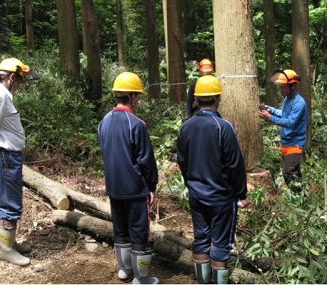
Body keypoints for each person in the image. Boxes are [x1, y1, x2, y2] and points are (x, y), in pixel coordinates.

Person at [177, 75, 250, 284]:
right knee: (221, 245)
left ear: (196, 99)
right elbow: (235, 164)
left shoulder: (186, 126)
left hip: (196, 194)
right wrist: (241, 193)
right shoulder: (223, 126)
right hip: (221, 198)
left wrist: (189, 183)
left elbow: (182, 161)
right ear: (218, 98)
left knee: (201, 239)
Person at [97, 72, 159, 284]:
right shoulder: (136, 124)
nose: (138, 100)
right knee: (139, 232)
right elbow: (146, 161)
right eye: (137, 96)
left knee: (120, 229)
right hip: (135, 188)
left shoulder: (103, 121)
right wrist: (151, 186)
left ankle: (125, 270)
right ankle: (141, 279)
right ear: (132, 97)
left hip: (113, 186)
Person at [0, 57, 38, 266]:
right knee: (8, 201)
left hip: (4, 155)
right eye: (19, 81)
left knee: (5, 198)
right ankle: (6, 250)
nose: (19, 86)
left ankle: (9, 244)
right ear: (12, 77)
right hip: (3, 156)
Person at [258, 69, 307, 193]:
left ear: (293, 86)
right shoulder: (287, 99)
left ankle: (297, 198)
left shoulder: (299, 103)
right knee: (294, 174)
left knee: (288, 173)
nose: (281, 90)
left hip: (295, 144)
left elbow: (290, 122)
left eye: (284, 87)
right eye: (280, 86)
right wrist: (272, 110)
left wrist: (270, 118)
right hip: (285, 143)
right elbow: (284, 113)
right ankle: (302, 198)